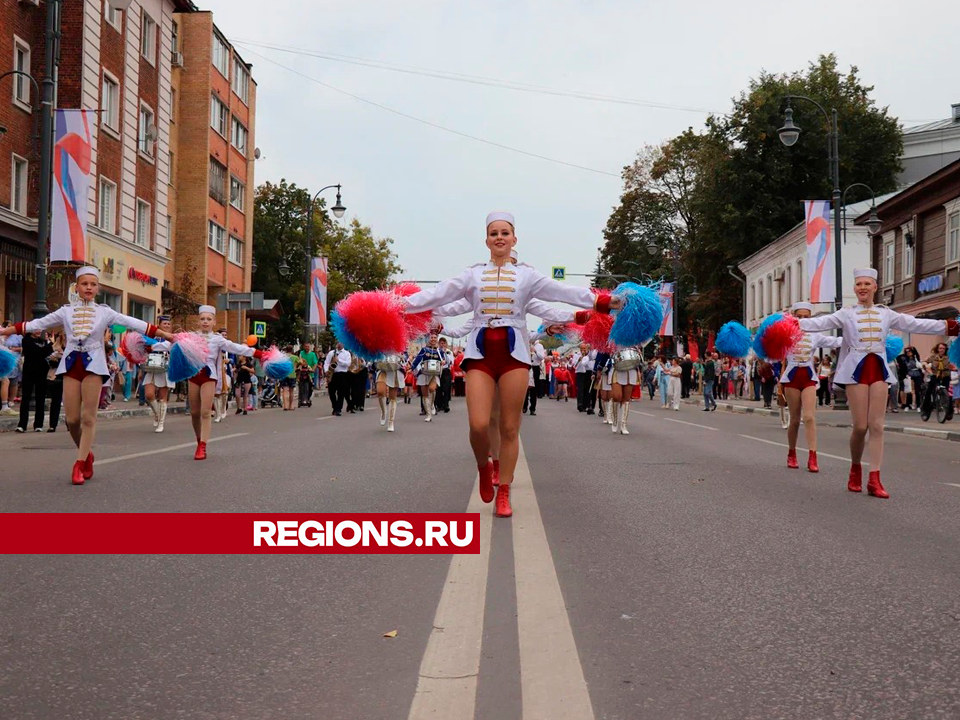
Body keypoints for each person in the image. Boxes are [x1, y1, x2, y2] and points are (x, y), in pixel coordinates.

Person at [398, 211, 615, 518]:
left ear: (514, 239)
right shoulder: (472, 274)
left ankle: (505, 491)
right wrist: (397, 306)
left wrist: (599, 302)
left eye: (504, 233)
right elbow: (437, 293)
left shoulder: (527, 275)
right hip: (480, 352)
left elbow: (560, 292)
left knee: (510, 426)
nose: (499, 237)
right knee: (478, 424)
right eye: (493, 233)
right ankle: (484, 467)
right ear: (486, 240)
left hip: (514, 355)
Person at [798, 268, 959, 498]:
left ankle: (874, 478)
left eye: (867, 283)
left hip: (879, 369)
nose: (862, 287)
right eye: (858, 284)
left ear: (875, 287)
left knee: (876, 426)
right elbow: (820, 323)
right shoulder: (846, 313)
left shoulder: (886, 313)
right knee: (860, 426)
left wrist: (950, 326)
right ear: (855, 288)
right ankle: (855, 468)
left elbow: (916, 324)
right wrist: (791, 324)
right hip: (856, 370)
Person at [1, 267, 171, 484]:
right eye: (84, 284)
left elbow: (134, 322)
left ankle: (79, 463)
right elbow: (37, 324)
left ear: (97, 288)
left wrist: (165, 334)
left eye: (93, 284)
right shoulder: (65, 311)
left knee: (88, 417)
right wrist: (6, 331)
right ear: (77, 287)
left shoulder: (105, 312)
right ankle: (87, 452)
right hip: (71, 365)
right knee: (72, 419)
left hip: (94, 365)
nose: (89, 287)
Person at [180, 307, 267, 460]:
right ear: (198, 321)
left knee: (205, 412)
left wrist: (261, 354)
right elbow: (172, 344)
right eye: (202, 319)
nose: (205, 322)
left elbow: (236, 348)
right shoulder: (191, 337)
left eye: (208, 319)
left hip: (209, 376)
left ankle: (203, 446)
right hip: (193, 375)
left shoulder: (217, 339)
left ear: (214, 322)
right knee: (194, 413)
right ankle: (199, 439)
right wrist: (150, 346)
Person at [779, 302, 843, 472]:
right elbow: (771, 351)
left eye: (806, 317)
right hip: (792, 379)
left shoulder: (815, 335)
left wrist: (855, 336)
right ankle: (791, 453)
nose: (803, 320)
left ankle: (812, 456)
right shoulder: (785, 335)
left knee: (809, 417)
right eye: (799, 316)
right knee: (794, 419)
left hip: (808, 378)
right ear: (793, 316)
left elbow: (835, 341)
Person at [16, 329, 53, 433]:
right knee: (26, 398)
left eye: (39, 330)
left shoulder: (44, 341)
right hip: (29, 372)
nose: (38, 332)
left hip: (42, 372)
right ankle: (22, 424)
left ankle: (38, 424)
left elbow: (48, 354)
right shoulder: (26, 340)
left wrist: (47, 347)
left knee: (40, 398)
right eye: (36, 329)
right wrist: (48, 347)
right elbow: (35, 352)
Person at [142, 315, 174, 432]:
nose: (166, 326)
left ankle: (161, 423)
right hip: (151, 367)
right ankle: (157, 414)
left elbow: (165, 347)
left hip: (165, 368)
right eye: (164, 323)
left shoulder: (172, 338)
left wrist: (152, 345)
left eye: (168, 324)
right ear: (159, 325)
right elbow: (144, 348)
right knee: (149, 394)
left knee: (162, 397)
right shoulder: (152, 336)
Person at [608, 345, 643, 434]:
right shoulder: (613, 340)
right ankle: (615, 421)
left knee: (626, 399)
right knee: (617, 396)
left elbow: (639, 358)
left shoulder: (635, 342)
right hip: (616, 369)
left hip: (630, 370)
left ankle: (623, 424)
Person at [412, 335, 444, 422]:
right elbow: (418, 359)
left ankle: (432, 404)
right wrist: (411, 367)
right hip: (424, 372)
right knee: (425, 394)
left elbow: (444, 360)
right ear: (429, 339)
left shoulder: (440, 351)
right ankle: (429, 414)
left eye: (434, 338)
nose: (433, 339)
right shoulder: (424, 350)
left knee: (432, 388)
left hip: (434, 373)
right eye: (431, 337)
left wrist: (443, 362)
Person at [921, 342, 954, 421]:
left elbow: (954, 364)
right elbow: (924, 362)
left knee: (947, 393)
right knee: (929, 392)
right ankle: (925, 410)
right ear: (937, 349)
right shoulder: (933, 356)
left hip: (945, 376)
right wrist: (926, 365)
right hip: (935, 375)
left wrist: (953, 367)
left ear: (945, 349)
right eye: (940, 348)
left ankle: (949, 412)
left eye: (943, 348)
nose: (941, 350)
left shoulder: (949, 357)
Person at [324, 342, 352, 416]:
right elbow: (326, 363)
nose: (339, 344)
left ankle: (338, 409)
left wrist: (338, 360)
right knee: (331, 392)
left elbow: (348, 364)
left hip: (342, 374)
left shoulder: (347, 353)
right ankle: (334, 406)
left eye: (341, 343)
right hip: (333, 374)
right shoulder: (331, 353)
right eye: (338, 343)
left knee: (341, 393)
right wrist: (326, 370)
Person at [45, 331, 65, 432]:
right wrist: (54, 359)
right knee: (56, 401)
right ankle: (52, 424)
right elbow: (49, 361)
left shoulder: (74, 347)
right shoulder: (55, 347)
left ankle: (71, 423)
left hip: (69, 377)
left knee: (70, 402)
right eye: (63, 335)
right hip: (56, 376)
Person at [298, 342, 318, 407]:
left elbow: (315, 363)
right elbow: (299, 361)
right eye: (305, 346)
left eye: (308, 346)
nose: (307, 347)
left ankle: (308, 398)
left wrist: (313, 370)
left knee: (310, 388)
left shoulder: (313, 354)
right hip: (302, 373)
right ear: (304, 347)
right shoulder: (301, 353)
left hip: (309, 374)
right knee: (301, 387)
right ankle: (301, 399)